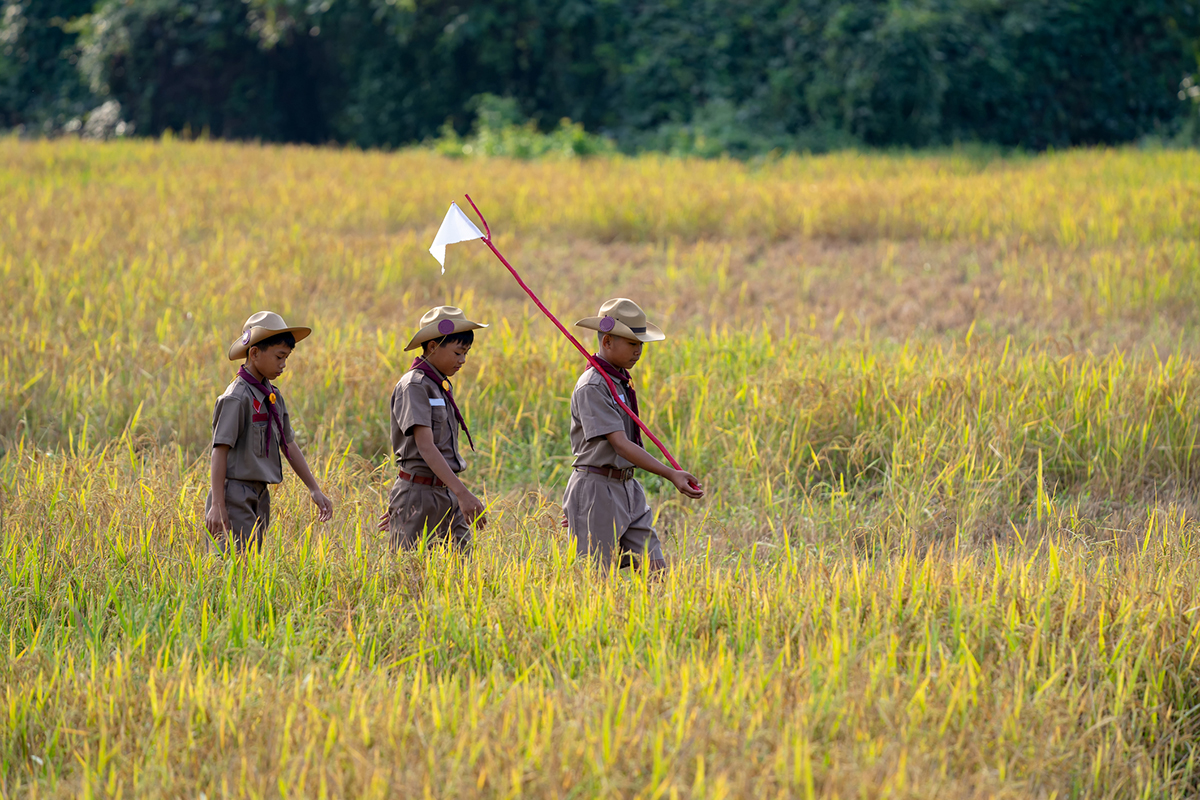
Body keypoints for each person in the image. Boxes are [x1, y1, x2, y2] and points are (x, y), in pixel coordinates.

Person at [563, 298, 704, 572]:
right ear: (607, 343)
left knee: (656, 571)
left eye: (640, 344)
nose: (638, 351)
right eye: (631, 343)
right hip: (597, 488)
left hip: (628, 486)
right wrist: (671, 473)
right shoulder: (592, 386)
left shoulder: (619, 381)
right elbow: (621, 445)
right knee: (594, 580)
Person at [205, 311, 334, 552]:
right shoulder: (236, 397)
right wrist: (217, 504)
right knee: (232, 568)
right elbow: (219, 451)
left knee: (251, 568)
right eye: (279, 357)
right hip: (233, 495)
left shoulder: (273, 397)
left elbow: (288, 444)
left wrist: (314, 489)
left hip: (259, 495)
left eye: (286, 357)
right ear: (254, 354)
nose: (283, 364)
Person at [383, 306, 488, 552]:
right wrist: (463, 494)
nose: (462, 360)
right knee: (409, 577)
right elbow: (426, 446)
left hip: (445, 492)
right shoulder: (415, 385)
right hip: (419, 494)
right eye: (457, 352)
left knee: (462, 571)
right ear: (432, 347)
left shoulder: (438, 385)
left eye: (466, 353)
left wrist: (456, 494)